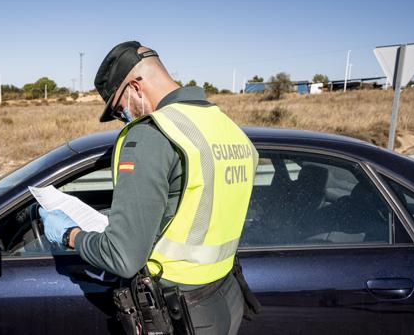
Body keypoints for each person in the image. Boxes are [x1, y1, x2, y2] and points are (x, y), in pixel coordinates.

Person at [39, 41, 259, 334]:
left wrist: (69, 235)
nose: (123, 119)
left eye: (119, 109)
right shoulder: (225, 127)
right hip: (225, 297)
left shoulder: (152, 135)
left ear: (135, 88)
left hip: (180, 311)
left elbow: (123, 257)